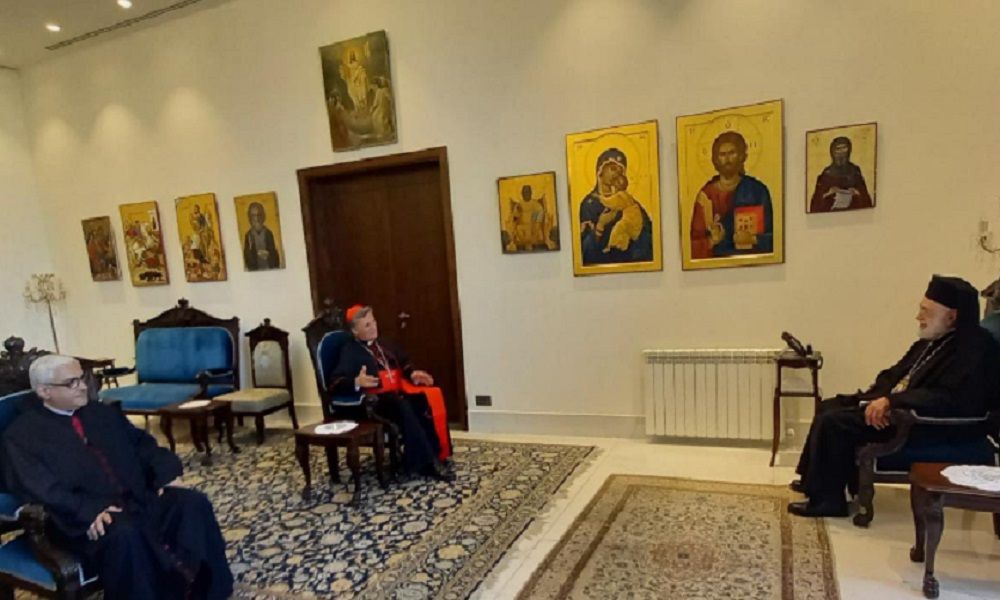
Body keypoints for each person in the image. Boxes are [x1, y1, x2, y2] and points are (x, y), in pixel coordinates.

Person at [1, 355, 233, 599]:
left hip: (138, 497)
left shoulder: (101, 412)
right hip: (76, 519)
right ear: (44, 391)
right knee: (125, 533)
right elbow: (40, 487)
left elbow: (143, 445)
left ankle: (206, 591)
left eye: (82, 378)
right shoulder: (21, 436)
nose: (83, 386)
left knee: (192, 503)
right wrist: (87, 511)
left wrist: (165, 473)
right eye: (71, 383)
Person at [788, 275, 1000, 517]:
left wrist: (892, 402)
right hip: (901, 409)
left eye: (926, 311)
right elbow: (894, 373)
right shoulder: (931, 341)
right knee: (829, 406)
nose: (919, 317)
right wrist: (875, 397)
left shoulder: (975, 350)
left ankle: (829, 502)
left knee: (835, 422)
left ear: (952, 316)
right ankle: (813, 482)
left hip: (931, 425)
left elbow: (947, 399)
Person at [328, 305, 453, 481]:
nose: (374, 327)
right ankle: (427, 463)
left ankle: (434, 454)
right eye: (367, 325)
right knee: (401, 405)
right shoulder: (350, 351)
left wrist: (412, 374)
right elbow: (334, 382)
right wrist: (356, 382)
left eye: (374, 322)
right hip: (373, 402)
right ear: (355, 331)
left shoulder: (384, 343)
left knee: (422, 400)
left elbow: (404, 361)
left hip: (394, 394)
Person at [689, 131, 773, 259]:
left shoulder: (757, 191)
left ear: (741, 156)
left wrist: (754, 239)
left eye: (732, 153)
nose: (727, 159)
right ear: (716, 159)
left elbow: (775, 237)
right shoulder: (706, 196)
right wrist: (712, 240)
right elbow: (692, 245)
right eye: (722, 154)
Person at [578, 148, 653, 265]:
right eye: (612, 169)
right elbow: (583, 251)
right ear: (600, 170)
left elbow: (649, 239)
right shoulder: (589, 204)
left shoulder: (629, 202)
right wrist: (600, 225)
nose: (616, 174)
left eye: (620, 171)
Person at [808, 136, 873, 213]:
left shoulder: (855, 171)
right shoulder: (826, 174)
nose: (841, 153)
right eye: (838, 149)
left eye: (844, 148)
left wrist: (856, 192)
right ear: (833, 152)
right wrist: (829, 193)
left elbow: (867, 202)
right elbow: (815, 205)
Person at [242, 202, 280, 271]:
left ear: (263, 216)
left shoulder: (268, 233)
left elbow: (274, 256)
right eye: (253, 215)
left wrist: (268, 255)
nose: (256, 219)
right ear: (250, 218)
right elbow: (247, 257)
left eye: (259, 215)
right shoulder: (248, 235)